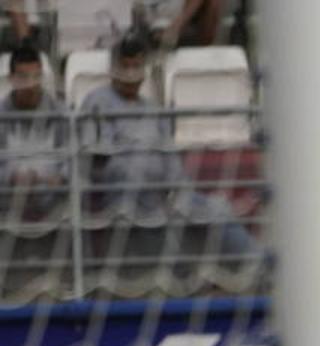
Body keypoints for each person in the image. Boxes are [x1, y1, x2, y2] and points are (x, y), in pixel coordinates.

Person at [77, 34, 257, 259]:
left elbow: (171, 159)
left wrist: (177, 192)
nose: (131, 75)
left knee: (217, 208)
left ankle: (255, 262)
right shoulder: (98, 102)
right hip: (125, 198)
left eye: (136, 66)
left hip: (164, 194)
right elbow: (95, 159)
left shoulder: (153, 109)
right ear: (114, 68)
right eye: (125, 66)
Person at [0, 41, 67, 221]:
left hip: (53, 206)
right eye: (23, 78)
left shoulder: (61, 113)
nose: (30, 85)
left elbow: (73, 160)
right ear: (11, 79)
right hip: (7, 207)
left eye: (36, 77)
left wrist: (61, 178)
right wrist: (11, 177)